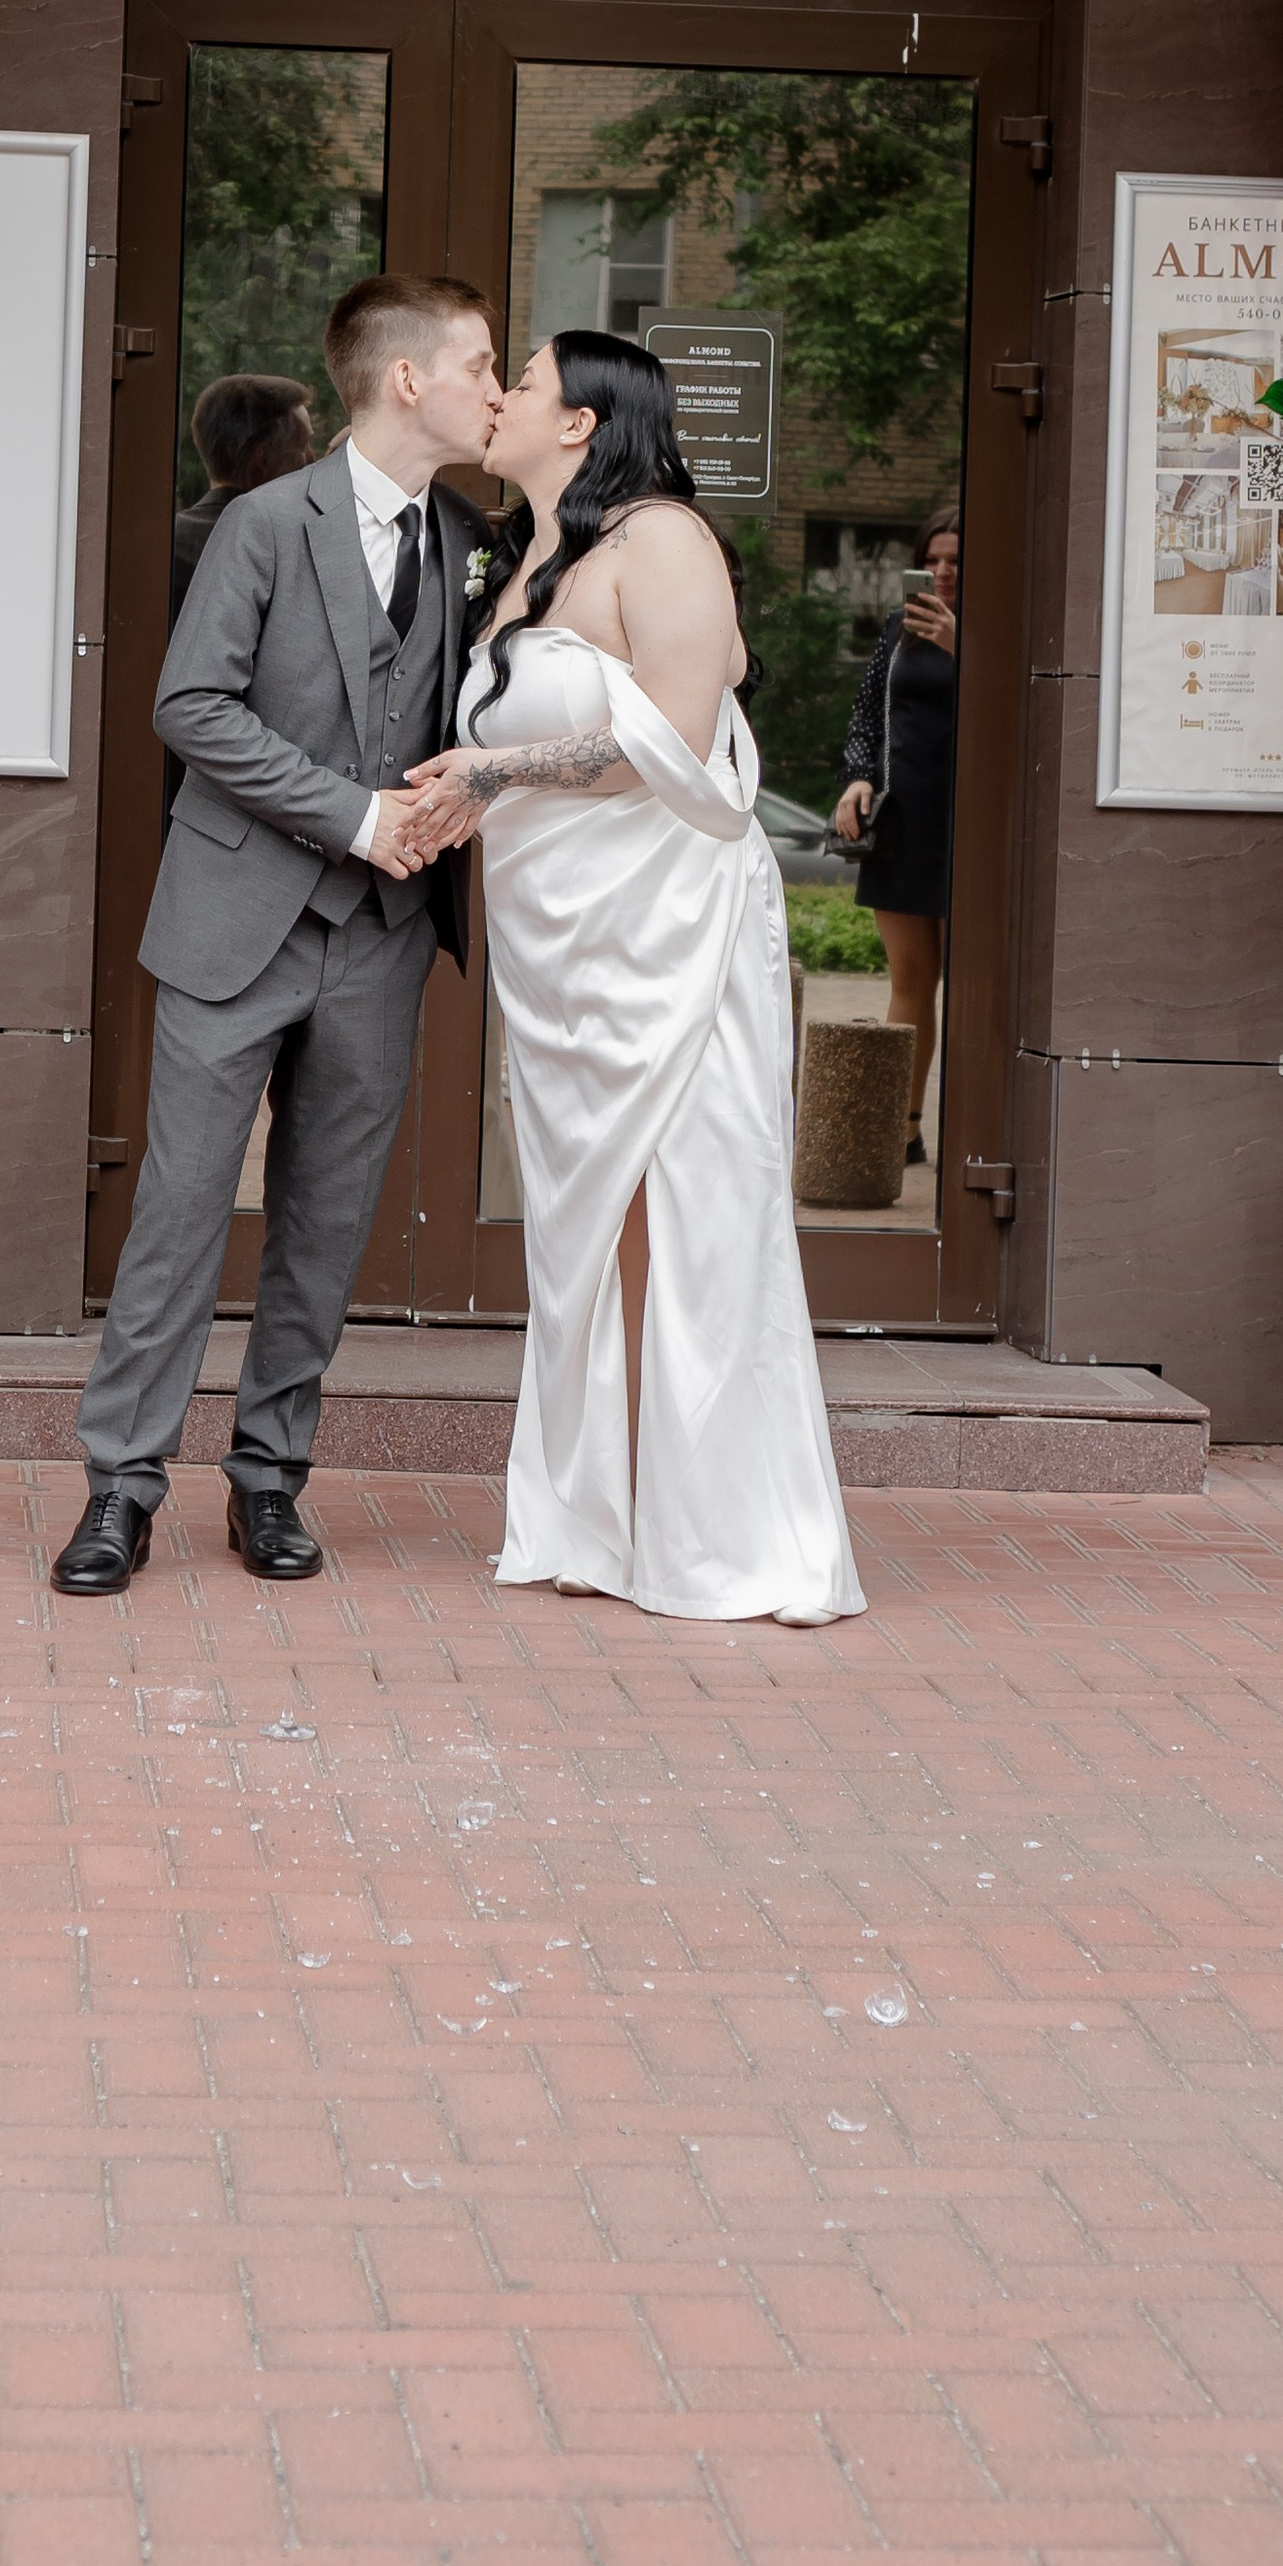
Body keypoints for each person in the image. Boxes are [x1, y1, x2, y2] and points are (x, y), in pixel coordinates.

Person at [402, 331, 863, 1628]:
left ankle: (710, 1529)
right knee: (583, 1233)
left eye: (524, 379)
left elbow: (675, 736)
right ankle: (593, 1516)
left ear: (583, 423)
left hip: (668, 931)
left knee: (688, 1214)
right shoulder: (521, 560)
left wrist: (493, 774)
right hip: (560, 951)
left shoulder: (665, 540)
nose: (499, 396)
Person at [52, 277, 501, 1598]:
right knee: (181, 1208)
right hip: (234, 917)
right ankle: (120, 1489)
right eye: (481, 364)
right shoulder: (262, 522)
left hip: (384, 935)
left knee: (325, 1220)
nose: (496, 388)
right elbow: (190, 705)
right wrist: (355, 816)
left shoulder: (475, 540)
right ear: (407, 379)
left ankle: (270, 1480)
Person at [831, 502, 959, 1166]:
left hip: (971, 823)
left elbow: (1020, 706)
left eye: (956, 561)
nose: (942, 571)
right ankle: (901, 1130)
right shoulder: (897, 628)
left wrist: (962, 645)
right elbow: (866, 717)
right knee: (910, 979)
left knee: (971, 986)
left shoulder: (1000, 629)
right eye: (931, 560)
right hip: (904, 818)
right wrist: (858, 778)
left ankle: (978, 1130)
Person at [172, 372, 315, 626]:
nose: (313, 460)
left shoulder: (166, 546)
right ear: (263, 458)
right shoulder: (295, 547)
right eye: (303, 447)